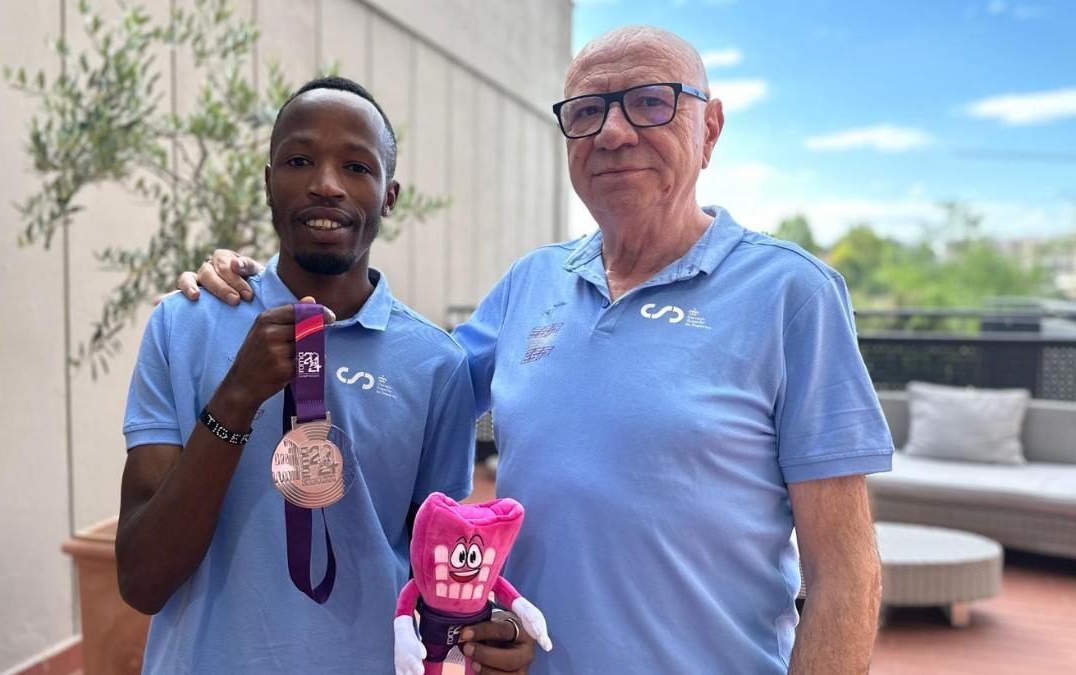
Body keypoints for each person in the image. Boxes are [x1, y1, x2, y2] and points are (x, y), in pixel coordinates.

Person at [184, 26, 893, 674]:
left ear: (709, 128)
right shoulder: (533, 283)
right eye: (586, 112)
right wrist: (258, 284)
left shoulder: (790, 295)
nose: (613, 132)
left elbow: (844, 575)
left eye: (650, 102)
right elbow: (398, 368)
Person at [119, 75, 536, 674]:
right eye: (298, 160)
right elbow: (142, 580)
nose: (325, 184)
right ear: (268, 184)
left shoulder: (435, 366)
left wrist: (490, 628)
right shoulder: (183, 326)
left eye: (357, 167)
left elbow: (436, 573)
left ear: (390, 196)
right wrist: (236, 398)